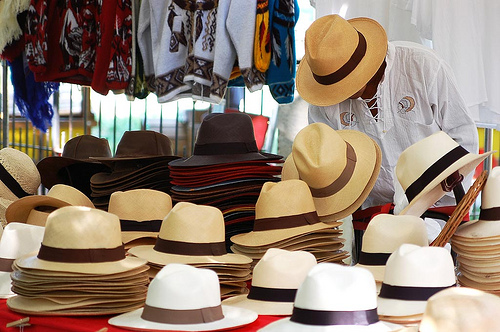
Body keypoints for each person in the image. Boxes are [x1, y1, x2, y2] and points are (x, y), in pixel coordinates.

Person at [295, 14, 480, 258]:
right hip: (373, 223)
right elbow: (326, 167)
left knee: (436, 282)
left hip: (438, 212)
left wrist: (434, 200)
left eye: (345, 83)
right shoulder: (323, 102)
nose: (338, 94)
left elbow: (463, 138)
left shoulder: (423, 67)